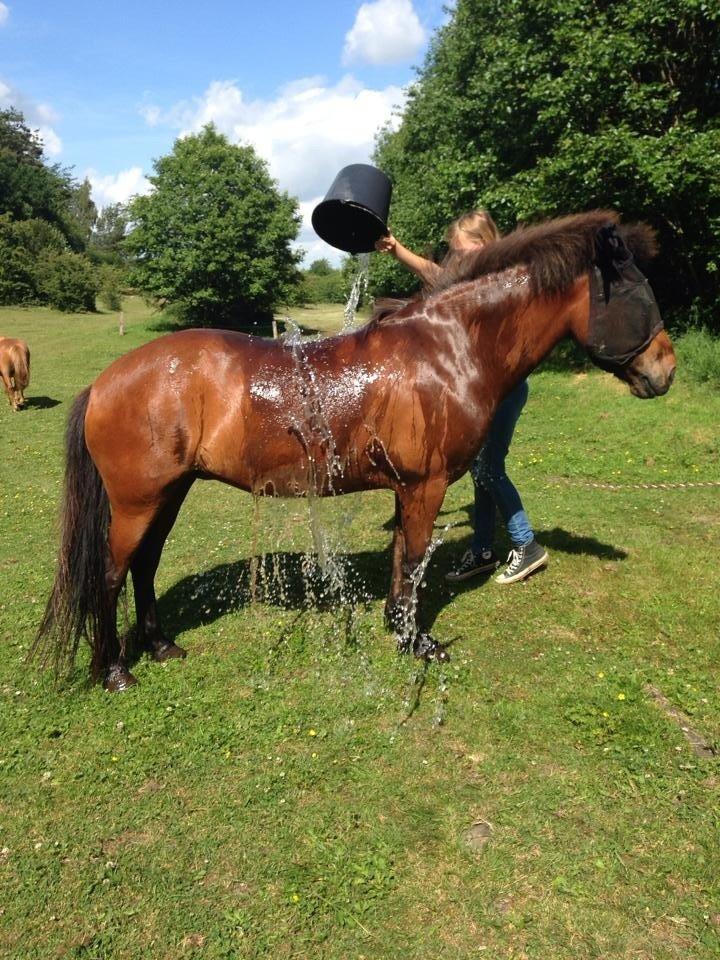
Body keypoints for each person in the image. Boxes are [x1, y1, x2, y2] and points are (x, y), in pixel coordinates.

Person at [375, 210, 549, 585]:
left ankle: (527, 545)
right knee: (480, 469)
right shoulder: (481, 279)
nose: (458, 261)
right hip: (482, 391)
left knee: (489, 469)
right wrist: (397, 249)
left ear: (486, 246)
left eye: (464, 253)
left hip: (502, 392)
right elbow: (437, 274)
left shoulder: (505, 284)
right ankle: (484, 549)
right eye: (455, 254)